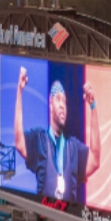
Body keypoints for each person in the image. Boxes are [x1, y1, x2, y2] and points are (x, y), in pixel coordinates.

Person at [13, 67, 100, 204]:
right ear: (50, 103)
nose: (62, 105)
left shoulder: (74, 147)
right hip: (43, 214)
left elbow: (94, 160)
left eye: (64, 101)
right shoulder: (39, 139)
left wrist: (93, 107)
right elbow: (19, 142)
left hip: (68, 216)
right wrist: (19, 91)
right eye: (58, 99)